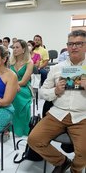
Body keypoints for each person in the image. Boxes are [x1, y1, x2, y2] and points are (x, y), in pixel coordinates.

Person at [28, 29, 86, 173]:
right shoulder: (57, 68)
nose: (74, 47)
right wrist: (55, 91)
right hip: (57, 114)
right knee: (34, 140)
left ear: (85, 46)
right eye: (70, 44)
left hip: (82, 116)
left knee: (84, 151)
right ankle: (62, 161)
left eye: (79, 43)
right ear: (67, 46)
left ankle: (76, 169)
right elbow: (42, 92)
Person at [10, 39, 34, 137]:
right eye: (13, 47)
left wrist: (13, 86)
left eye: (17, 47)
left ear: (23, 49)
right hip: (13, 87)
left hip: (24, 88)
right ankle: (7, 126)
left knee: (15, 95)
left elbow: (24, 81)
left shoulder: (29, 62)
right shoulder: (11, 62)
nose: (14, 50)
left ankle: (21, 128)